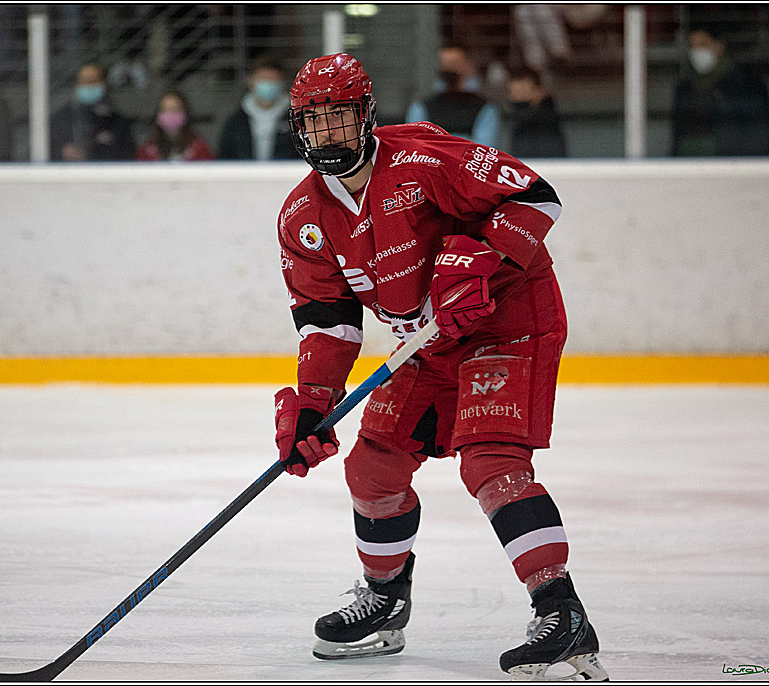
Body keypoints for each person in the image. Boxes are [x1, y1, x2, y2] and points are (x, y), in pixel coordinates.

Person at [273, 53, 608, 681]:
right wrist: (314, 404)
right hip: (422, 344)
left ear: (366, 115)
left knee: (491, 461)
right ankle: (385, 598)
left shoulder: (426, 158)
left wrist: (485, 258)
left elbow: (536, 197)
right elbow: (329, 321)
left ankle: (562, 615)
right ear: (298, 129)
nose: (328, 136)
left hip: (509, 318)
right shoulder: (302, 218)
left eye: (340, 119)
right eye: (314, 124)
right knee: (372, 468)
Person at [671, 26, 769, 156]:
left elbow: (758, 139)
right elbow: (676, 138)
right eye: (692, 45)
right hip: (688, 168)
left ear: (719, 45)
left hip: (732, 168)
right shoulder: (684, 88)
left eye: (703, 44)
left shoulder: (748, 86)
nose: (696, 51)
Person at [405, 45, 500, 148]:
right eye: (444, 65)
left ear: (467, 66)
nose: (449, 70)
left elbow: (483, 148)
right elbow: (415, 145)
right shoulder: (421, 107)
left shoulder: (485, 108)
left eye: (454, 64)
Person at [49, 63, 136, 162]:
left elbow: (127, 155)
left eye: (94, 81)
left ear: (104, 84)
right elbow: (43, 149)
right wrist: (62, 152)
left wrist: (94, 153)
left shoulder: (117, 122)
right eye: (85, 81)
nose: (89, 86)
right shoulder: (61, 119)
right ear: (77, 84)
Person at [217, 56, 297, 160]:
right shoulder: (235, 121)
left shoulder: (295, 118)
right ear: (251, 81)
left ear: (281, 83)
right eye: (263, 79)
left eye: (273, 80)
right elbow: (225, 156)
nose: (268, 84)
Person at [505, 67, 567, 158]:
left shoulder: (548, 118)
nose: (517, 97)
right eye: (514, 93)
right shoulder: (512, 121)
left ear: (539, 91)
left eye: (523, 92)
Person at [135, 91, 214, 161]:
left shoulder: (200, 149)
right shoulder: (146, 151)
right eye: (165, 110)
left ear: (185, 114)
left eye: (174, 109)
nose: (170, 114)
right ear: (158, 115)